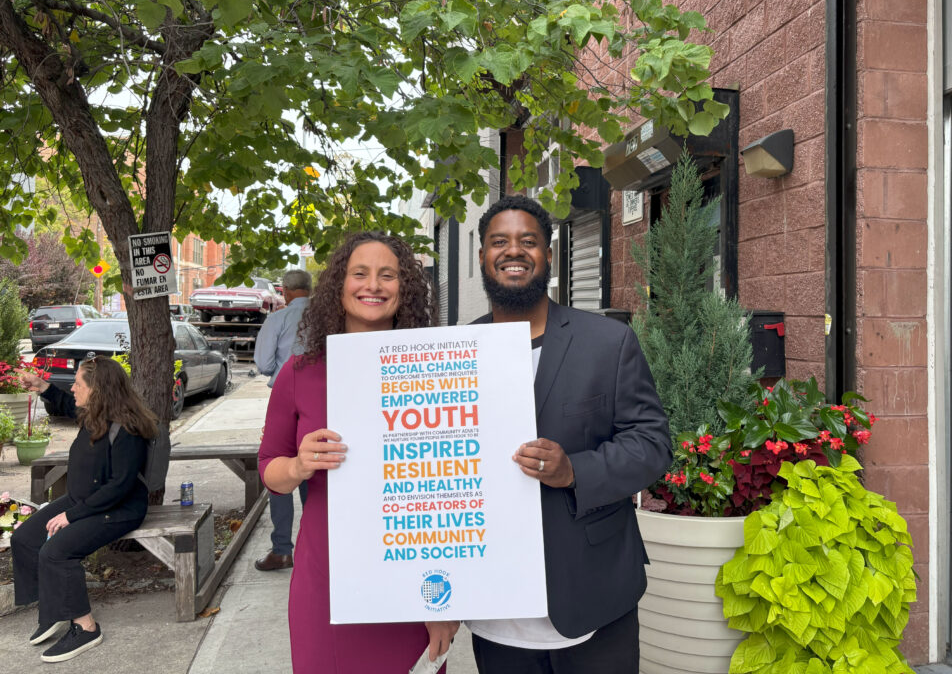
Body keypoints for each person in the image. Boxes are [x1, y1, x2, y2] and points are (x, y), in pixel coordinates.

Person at [464, 195, 672, 673]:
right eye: (499, 242)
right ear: (481, 256)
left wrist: (575, 470)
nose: (513, 251)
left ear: (549, 255)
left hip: (593, 600)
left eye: (528, 241)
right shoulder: (456, 354)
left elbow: (652, 444)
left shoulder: (607, 342)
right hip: (497, 612)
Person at [258, 232, 459, 673]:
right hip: (327, 578)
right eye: (360, 274)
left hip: (413, 581)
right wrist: (297, 465)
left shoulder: (433, 372)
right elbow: (268, 470)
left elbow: (450, 490)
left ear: (404, 290)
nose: (374, 285)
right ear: (338, 285)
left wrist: (447, 600)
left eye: (388, 275)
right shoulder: (301, 372)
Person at [14, 356, 158, 663]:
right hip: (85, 501)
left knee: (57, 552)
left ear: (98, 389)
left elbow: (119, 487)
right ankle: (55, 607)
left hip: (118, 509)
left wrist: (71, 515)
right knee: (25, 539)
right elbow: (68, 404)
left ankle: (86, 627)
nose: (74, 387)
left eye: (79, 383)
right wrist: (42, 386)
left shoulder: (127, 429)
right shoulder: (96, 413)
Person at [253, 268, 312, 571]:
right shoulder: (330, 318)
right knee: (315, 472)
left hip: (284, 399)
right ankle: (316, 548)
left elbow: (263, 364)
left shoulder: (277, 319)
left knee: (280, 469)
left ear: (286, 292)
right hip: (321, 397)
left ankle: (282, 548)